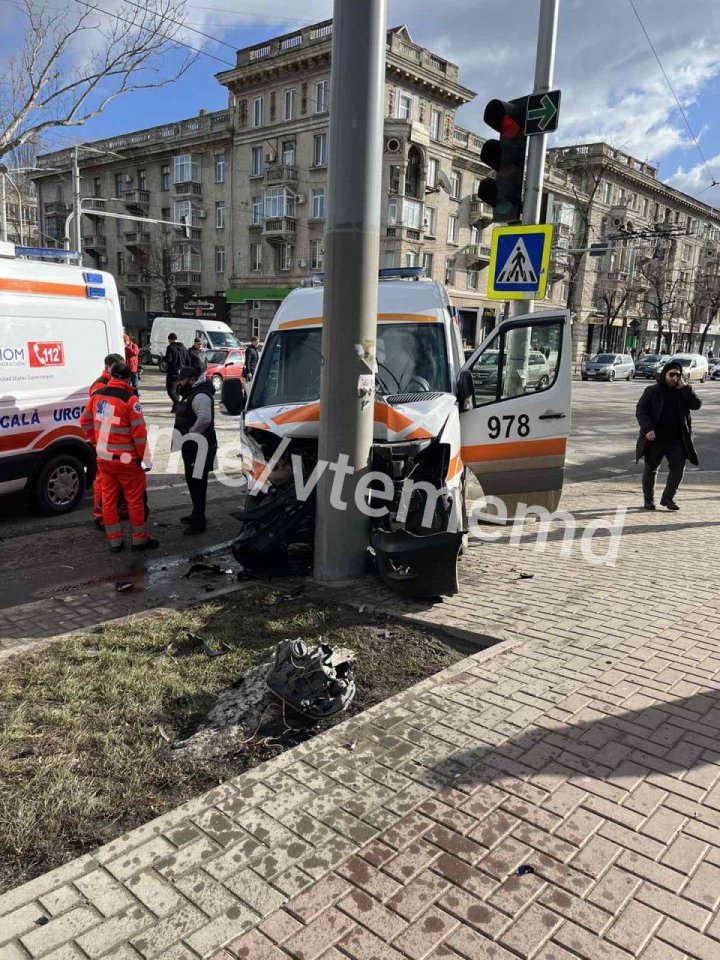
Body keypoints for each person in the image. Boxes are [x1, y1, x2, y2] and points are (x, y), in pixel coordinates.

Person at [82, 362, 159, 552]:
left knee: (108, 501)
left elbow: (84, 421)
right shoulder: (130, 400)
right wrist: (146, 459)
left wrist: (95, 442)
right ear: (127, 378)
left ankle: (115, 541)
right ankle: (139, 539)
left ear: (112, 376)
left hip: (105, 459)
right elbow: (139, 435)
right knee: (134, 501)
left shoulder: (97, 396)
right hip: (127, 462)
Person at [636, 358, 702, 511]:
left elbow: (696, 405)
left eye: (678, 375)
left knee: (678, 468)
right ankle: (649, 500)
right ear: (665, 374)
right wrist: (647, 429)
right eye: (672, 375)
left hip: (677, 439)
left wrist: (685, 388)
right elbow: (641, 410)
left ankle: (668, 498)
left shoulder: (683, 391)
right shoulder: (652, 391)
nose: (675, 378)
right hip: (655, 438)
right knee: (651, 469)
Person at [81, 352, 124, 529]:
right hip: (105, 442)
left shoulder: (109, 384)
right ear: (109, 367)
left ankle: (115, 510)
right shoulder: (100, 386)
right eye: (118, 368)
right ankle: (101, 514)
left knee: (113, 480)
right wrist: (96, 440)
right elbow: (100, 417)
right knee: (103, 481)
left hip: (113, 441)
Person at [174, 366, 217, 535]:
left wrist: (191, 432)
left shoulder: (200, 395)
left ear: (192, 379)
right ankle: (196, 514)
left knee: (198, 483)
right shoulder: (192, 393)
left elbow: (205, 418)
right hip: (192, 445)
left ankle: (199, 522)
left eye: (182, 380)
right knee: (192, 481)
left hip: (200, 446)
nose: (179, 383)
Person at [164, 333, 189, 412]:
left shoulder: (170, 347)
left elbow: (169, 360)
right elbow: (188, 361)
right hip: (182, 373)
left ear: (170, 340)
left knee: (170, 391)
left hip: (173, 372)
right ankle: (175, 409)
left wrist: (163, 358)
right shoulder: (184, 348)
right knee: (177, 391)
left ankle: (179, 404)